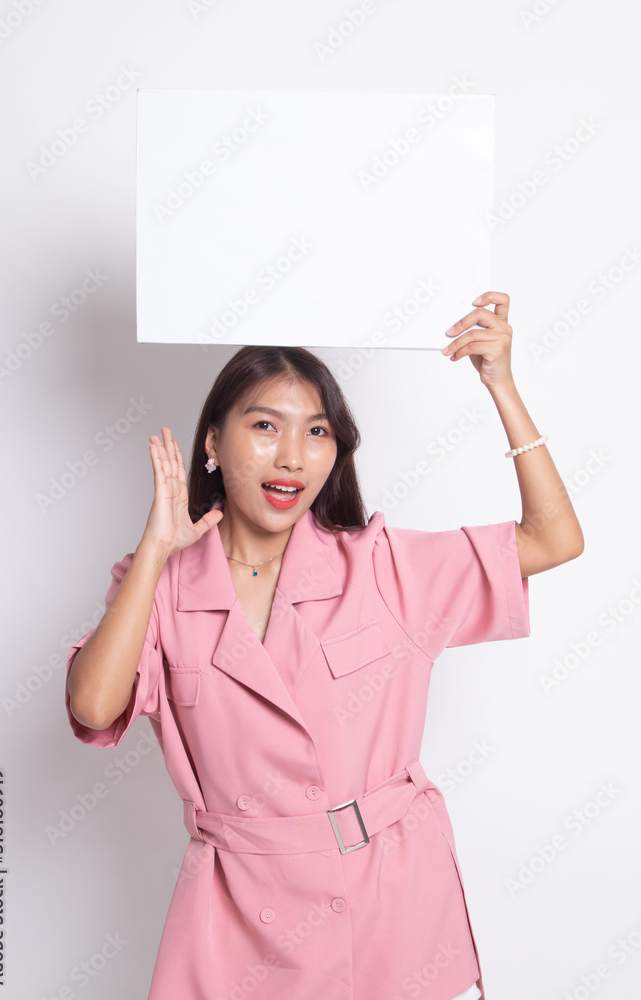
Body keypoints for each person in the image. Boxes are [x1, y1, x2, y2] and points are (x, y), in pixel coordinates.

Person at [65, 291, 584, 1000]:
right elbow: (94, 708)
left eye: (316, 433)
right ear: (213, 443)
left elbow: (554, 539)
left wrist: (501, 384)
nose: (292, 457)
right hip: (238, 917)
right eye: (264, 426)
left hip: (390, 905)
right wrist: (156, 551)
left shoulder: (379, 565)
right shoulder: (159, 585)